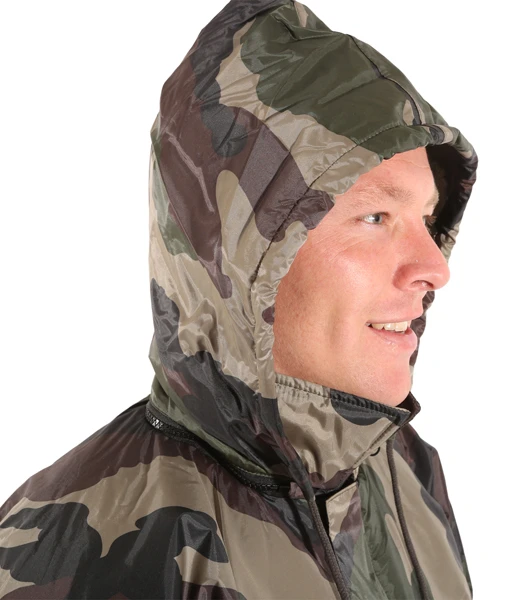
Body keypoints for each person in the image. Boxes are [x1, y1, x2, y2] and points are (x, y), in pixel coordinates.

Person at [0, 1, 477, 598]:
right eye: (375, 217)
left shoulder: (404, 466)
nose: (435, 268)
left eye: (427, 220)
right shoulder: (105, 554)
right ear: (241, 256)